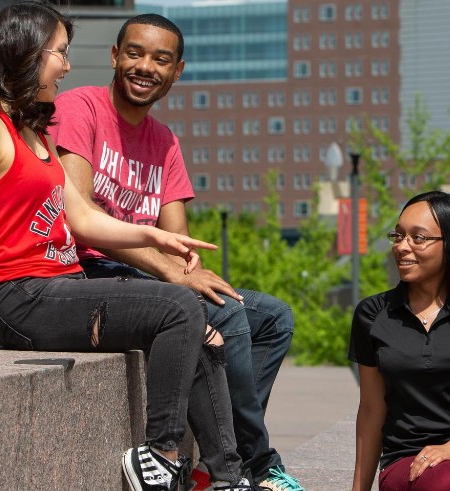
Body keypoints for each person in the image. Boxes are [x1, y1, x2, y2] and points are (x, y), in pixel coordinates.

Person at [0, 3, 255, 490]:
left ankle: (228, 478)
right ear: (28, 53)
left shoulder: (32, 130)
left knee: (197, 322)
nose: (67, 66)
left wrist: (154, 235)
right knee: (180, 305)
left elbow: (83, 219)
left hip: (60, 286)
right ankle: (161, 454)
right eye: (60, 52)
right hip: (19, 297)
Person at [50, 13, 301, 491]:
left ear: (177, 71)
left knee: (272, 317)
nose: (145, 67)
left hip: (147, 274)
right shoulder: (78, 107)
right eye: (135, 53)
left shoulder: (165, 142)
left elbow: (180, 245)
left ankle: (217, 456)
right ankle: (252, 464)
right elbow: (81, 223)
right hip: (87, 272)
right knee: (225, 318)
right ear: (114, 57)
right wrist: (180, 277)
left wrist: (193, 273)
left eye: (160, 59)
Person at [349, 191, 450, 491]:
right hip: (409, 462)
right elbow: (372, 408)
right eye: (398, 236)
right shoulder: (372, 314)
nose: (402, 246)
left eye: (417, 238)